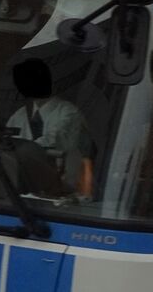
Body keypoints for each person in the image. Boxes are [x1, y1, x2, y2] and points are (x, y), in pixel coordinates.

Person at [6, 57, 92, 195]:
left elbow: (55, 140)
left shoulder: (69, 113)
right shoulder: (19, 116)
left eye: (28, 80)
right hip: (23, 192)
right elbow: (6, 146)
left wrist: (23, 152)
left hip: (61, 192)